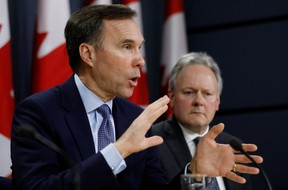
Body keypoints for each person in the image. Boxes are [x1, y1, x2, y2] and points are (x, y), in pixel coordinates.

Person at [11, 5, 262, 190]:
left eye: (139, 47)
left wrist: (195, 174)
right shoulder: (38, 112)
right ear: (88, 54)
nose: (140, 60)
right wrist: (118, 151)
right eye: (127, 46)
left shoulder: (134, 117)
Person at [152, 52, 262, 190]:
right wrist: (194, 174)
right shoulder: (152, 142)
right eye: (189, 92)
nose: (199, 101)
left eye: (207, 94)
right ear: (172, 97)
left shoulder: (233, 147)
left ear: (217, 102)